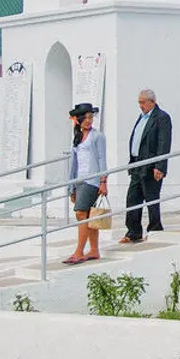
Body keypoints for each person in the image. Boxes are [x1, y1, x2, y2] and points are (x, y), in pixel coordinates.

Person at [121, 88, 172, 244]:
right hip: (137, 163)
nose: (141, 106)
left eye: (143, 102)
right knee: (132, 198)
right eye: (139, 103)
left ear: (152, 102)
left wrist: (160, 166)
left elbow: (164, 143)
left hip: (151, 164)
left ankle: (155, 228)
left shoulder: (161, 118)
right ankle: (133, 231)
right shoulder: (142, 117)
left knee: (151, 197)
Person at [65, 103, 108, 264]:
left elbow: (102, 159)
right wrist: (71, 186)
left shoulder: (97, 136)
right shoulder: (77, 137)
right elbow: (74, 163)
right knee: (89, 214)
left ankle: (79, 251)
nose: (89, 121)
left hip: (93, 180)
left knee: (81, 213)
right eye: (86, 118)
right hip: (79, 179)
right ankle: (94, 249)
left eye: (91, 117)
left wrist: (103, 181)